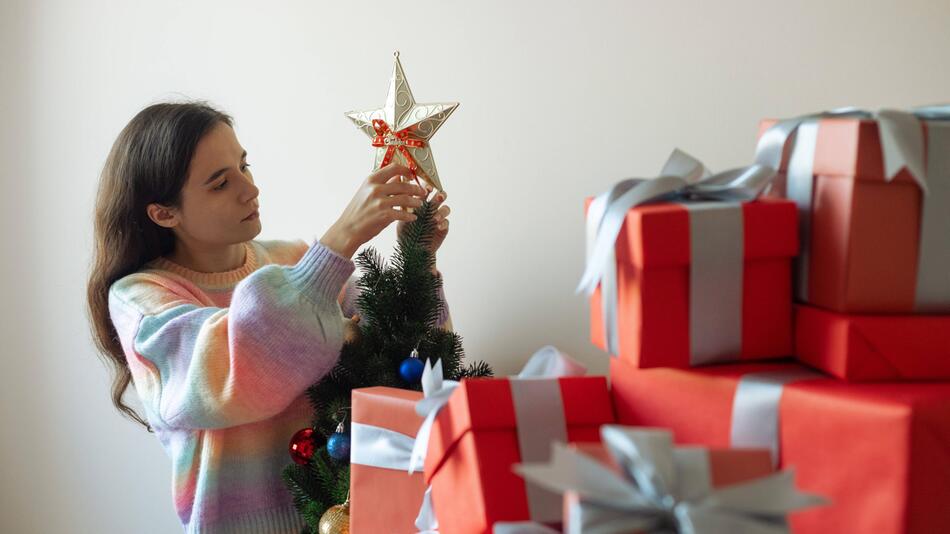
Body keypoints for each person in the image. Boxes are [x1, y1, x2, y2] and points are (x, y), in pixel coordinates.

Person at [86, 101, 452, 533]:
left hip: (349, 517)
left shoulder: (295, 261)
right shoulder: (141, 299)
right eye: (221, 183)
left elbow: (403, 365)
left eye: (245, 166)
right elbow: (232, 367)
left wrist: (418, 260)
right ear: (164, 213)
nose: (249, 189)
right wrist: (340, 240)